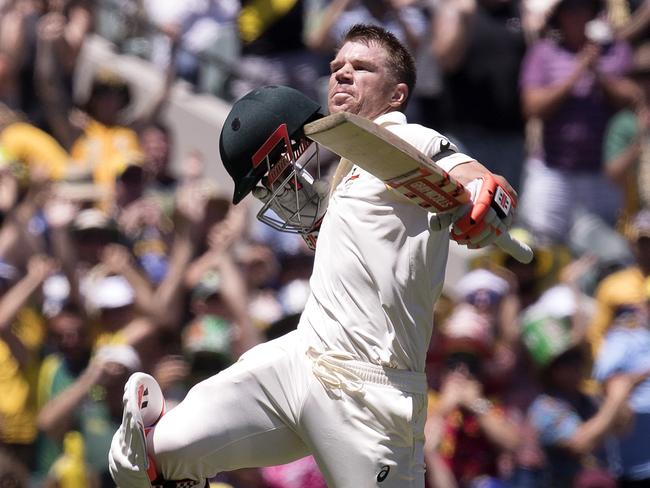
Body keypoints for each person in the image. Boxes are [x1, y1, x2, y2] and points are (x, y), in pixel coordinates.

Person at [109, 24, 519, 488]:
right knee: (150, 455)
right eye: (336, 68)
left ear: (397, 93)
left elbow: (468, 174)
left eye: (361, 68)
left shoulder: (409, 138)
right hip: (301, 359)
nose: (342, 75)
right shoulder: (346, 165)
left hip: (370, 389)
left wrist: (486, 196)